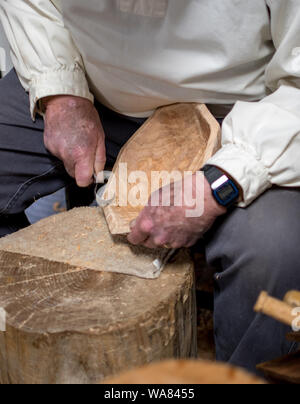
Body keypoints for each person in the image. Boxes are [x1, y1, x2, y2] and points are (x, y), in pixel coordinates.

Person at [0, 1, 299, 375]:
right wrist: (60, 92)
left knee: (276, 251)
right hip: (97, 91)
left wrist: (223, 182)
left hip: (247, 116)